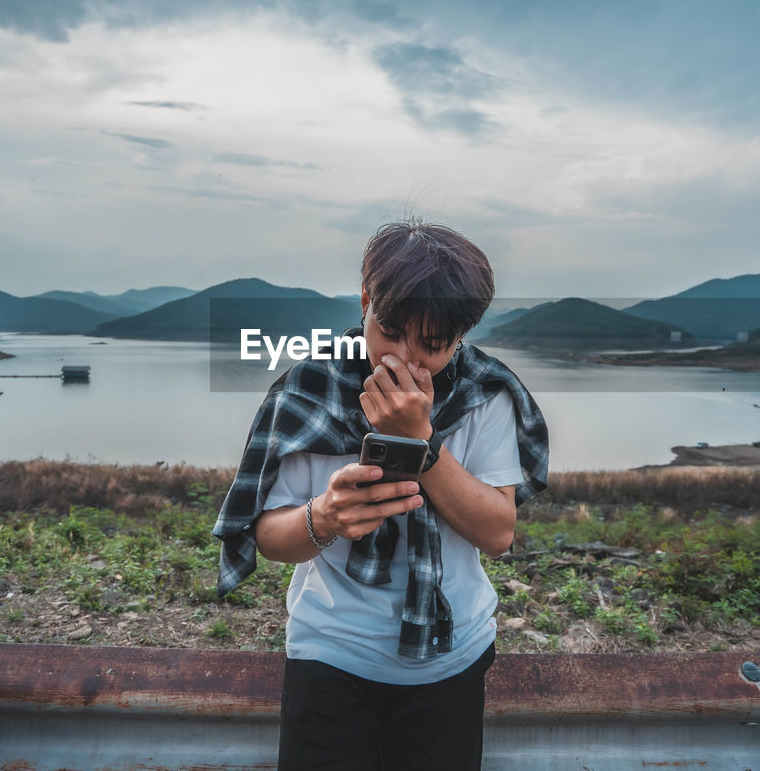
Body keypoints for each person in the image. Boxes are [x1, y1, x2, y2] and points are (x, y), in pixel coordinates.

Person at [213, 220, 549, 771]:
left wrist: (422, 442)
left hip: (452, 659)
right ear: (366, 300)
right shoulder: (308, 389)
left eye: (432, 345)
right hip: (330, 653)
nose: (403, 358)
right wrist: (324, 517)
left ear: (463, 334)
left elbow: (498, 532)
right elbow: (269, 537)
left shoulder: (486, 396)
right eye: (388, 331)